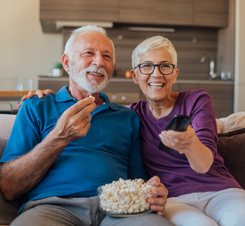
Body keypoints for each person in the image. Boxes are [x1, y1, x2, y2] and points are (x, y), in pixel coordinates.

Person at [30, 35, 245, 226]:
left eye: (165, 66)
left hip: (220, 190)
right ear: (134, 76)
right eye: (147, 66)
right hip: (174, 200)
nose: (156, 74)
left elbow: (204, 164)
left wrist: (191, 145)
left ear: (175, 73)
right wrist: (44, 97)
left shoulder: (196, 99)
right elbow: (99, 112)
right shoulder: (130, 115)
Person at [0, 25, 173, 226]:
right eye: (88, 53)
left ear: (112, 67)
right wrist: (59, 137)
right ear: (67, 62)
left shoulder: (128, 117)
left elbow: (138, 182)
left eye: (107, 57)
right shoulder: (36, 106)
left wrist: (153, 193)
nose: (99, 61)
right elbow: (9, 187)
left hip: (119, 210)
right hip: (52, 209)